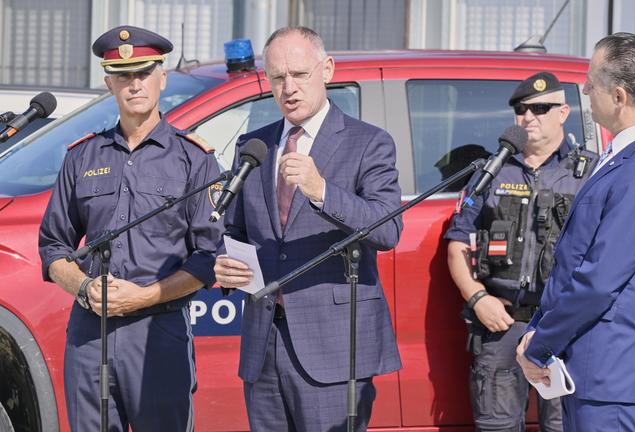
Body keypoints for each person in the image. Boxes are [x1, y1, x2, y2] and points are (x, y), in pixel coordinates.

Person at [212, 26, 403, 431]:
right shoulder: (254, 146)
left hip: (332, 347)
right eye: (278, 77)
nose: (289, 88)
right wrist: (225, 263)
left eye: (299, 74)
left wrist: (321, 191)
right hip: (264, 343)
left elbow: (388, 230)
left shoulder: (368, 142)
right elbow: (235, 231)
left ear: (327, 69)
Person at [38, 25, 223, 431]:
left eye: (143, 73)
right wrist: (84, 288)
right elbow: (53, 246)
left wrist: (143, 297)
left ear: (162, 78)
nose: (134, 84)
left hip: (158, 330)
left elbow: (208, 256)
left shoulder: (194, 159)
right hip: (90, 332)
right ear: (109, 83)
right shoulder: (82, 157)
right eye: (123, 76)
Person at [515, 32, 635, 430]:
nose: (586, 89)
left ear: (620, 96)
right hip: (596, 367)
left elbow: (599, 280)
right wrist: (539, 329)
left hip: (613, 373)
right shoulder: (628, 155)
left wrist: (541, 343)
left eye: (592, 81)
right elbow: (575, 262)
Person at [444, 71, 596, 431]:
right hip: (501, 323)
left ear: (563, 113)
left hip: (564, 325)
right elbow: (457, 242)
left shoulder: (588, 172)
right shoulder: (491, 171)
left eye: (540, 108)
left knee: (564, 426)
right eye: (521, 109)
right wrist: (478, 298)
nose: (528, 117)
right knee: (495, 426)